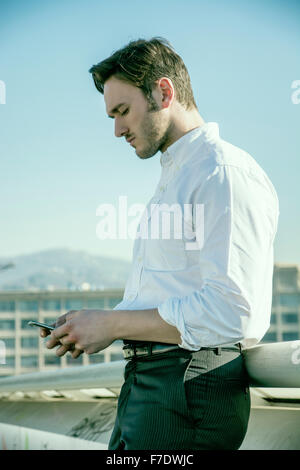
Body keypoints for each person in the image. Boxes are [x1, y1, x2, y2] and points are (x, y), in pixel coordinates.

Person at [41, 37, 279, 450]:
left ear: (163, 92)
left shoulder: (221, 171)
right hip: (157, 386)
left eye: (122, 111)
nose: (116, 130)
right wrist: (97, 323)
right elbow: (176, 292)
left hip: (186, 387)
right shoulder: (181, 174)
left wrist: (113, 324)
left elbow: (231, 311)